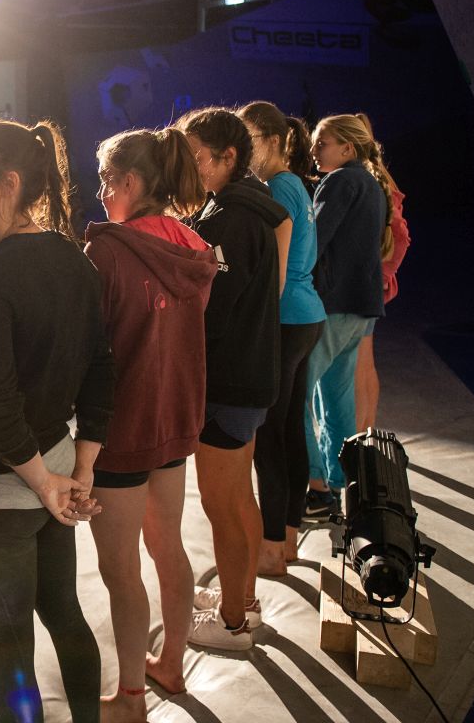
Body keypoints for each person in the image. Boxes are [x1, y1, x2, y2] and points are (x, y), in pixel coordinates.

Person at [0, 118, 113, 723]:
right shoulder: (74, 261)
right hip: (58, 468)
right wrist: (78, 470)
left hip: (0, 488)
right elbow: (101, 369)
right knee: (65, 614)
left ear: (8, 183)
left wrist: (43, 484)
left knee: (10, 654)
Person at [83, 127, 215, 711]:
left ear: (132, 182)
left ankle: (131, 695)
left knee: (121, 571)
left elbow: (90, 348)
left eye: (106, 182)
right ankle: (172, 665)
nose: (101, 195)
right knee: (170, 548)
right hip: (174, 421)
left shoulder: (108, 251)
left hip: (120, 429)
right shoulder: (194, 246)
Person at [179, 107, 288, 651]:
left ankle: (232, 624)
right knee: (239, 498)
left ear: (228, 157)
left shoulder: (231, 219)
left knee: (221, 505)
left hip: (229, 383)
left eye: (196, 156)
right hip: (248, 377)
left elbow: (213, 311)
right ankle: (242, 599)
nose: (187, 165)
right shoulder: (246, 208)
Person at [237, 101, 327, 574]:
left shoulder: (278, 187)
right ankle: (287, 537)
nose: (242, 149)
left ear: (272, 141)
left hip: (287, 318)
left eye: (248, 139)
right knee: (289, 428)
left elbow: (277, 263)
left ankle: (273, 545)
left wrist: (257, 316)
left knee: (272, 434)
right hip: (304, 315)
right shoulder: (293, 184)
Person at [304, 115, 389, 516]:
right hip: (361, 307)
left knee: (295, 397)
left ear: (347, 148)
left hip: (333, 306)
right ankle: (342, 486)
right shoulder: (371, 184)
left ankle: (316, 487)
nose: (313, 150)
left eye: (322, 143)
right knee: (337, 400)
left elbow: (314, 242)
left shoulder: (339, 182)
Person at [353, 113, 410, 431]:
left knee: (357, 365)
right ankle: (365, 431)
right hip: (369, 284)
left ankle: (359, 435)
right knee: (364, 361)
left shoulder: (367, 181)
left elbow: (398, 237)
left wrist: (382, 274)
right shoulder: (379, 179)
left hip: (362, 285)